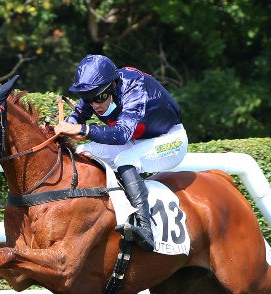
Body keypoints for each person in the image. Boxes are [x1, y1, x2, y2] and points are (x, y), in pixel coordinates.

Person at [54, 54, 188, 252]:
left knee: (126, 159)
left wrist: (82, 129)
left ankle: (145, 228)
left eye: (99, 97)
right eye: (88, 99)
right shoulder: (96, 91)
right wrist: (66, 126)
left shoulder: (134, 87)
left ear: (114, 85)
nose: (95, 105)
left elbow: (122, 134)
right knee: (83, 151)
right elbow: (79, 115)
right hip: (135, 140)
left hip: (169, 139)